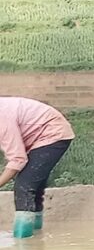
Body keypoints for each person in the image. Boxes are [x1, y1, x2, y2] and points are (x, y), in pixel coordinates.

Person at [1, 96, 74, 239]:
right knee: (35, 186)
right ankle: (36, 237)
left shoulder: (2, 119)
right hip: (39, 134)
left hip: (52, 133)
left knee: (25, 186)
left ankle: (22, 241)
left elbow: (17, 159)